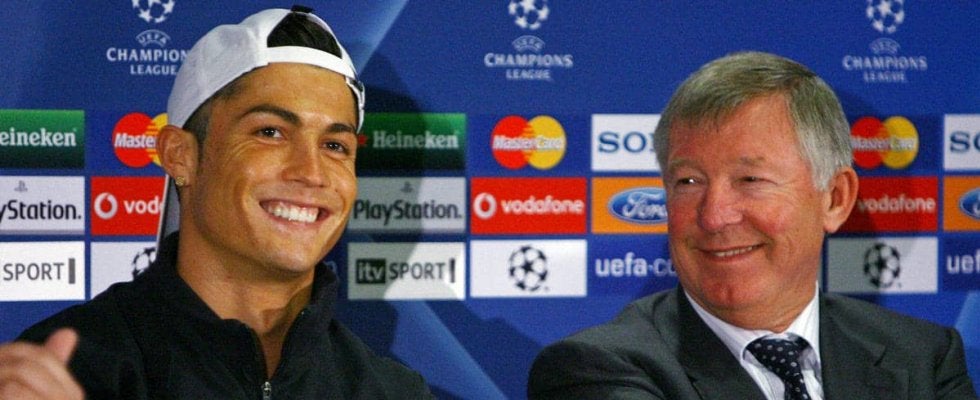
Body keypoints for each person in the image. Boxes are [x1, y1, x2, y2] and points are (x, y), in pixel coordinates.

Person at [0, 6, 434, 399]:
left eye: (335, 146)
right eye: (270, 132)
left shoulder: (392, 392)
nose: (311, 172)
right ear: (180, 156)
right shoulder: (67, 373)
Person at [528, 51, 977, 399]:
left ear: (835, 198)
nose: (713, 215)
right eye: (688, 182)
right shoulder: (595, 370)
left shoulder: (923, 357)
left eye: (750, 180)